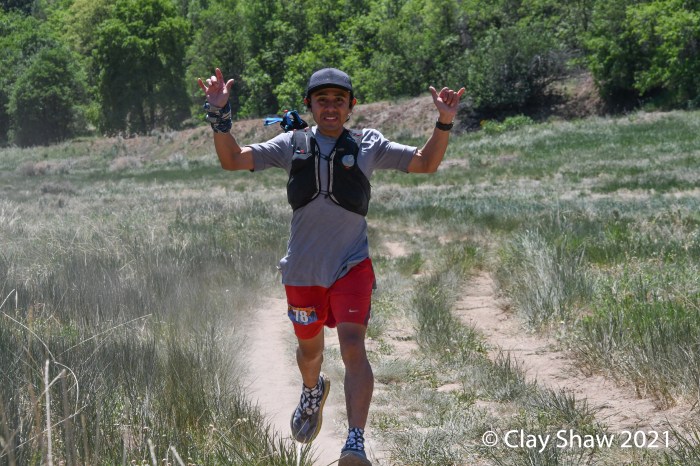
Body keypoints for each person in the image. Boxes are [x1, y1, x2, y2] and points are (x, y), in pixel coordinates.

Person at [197, 67, 464, 466]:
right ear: (310, 105)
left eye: (339, 100)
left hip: (351, 266)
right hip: (303, 271)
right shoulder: (292, 144)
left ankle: (354, 443)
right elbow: (232, 160)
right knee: (310, 353)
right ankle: (312, 390)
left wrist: (444, 122)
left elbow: (426, 163)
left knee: (354, 346)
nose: (331, 107)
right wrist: (220, 115)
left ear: (351, 106)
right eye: (322, 100)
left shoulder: (369, 144)